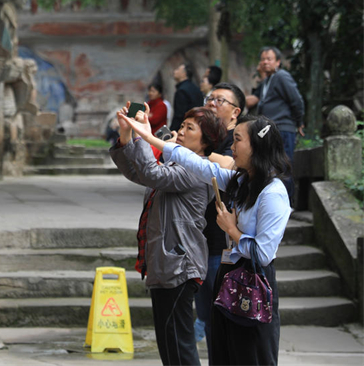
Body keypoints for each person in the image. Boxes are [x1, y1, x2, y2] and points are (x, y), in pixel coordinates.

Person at [120, 112, 291, 366]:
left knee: (252, 355)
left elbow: (263, 254)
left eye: (238, 140)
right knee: (224, 352)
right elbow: (199, 165)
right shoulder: (241, 181)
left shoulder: (273, 193)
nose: (231, 147)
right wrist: (147, 137)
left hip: (256, 280)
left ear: (257, 146)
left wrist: (232, 230)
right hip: (230, 274)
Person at [111, 103, 225, 365]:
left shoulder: (197, 168)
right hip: (167, 264)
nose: (181, 131)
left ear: (206, 140)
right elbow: (138, 172)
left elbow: (151, 172)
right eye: (182, 125)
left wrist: (144, 133)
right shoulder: (176, 163)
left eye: (190, 128)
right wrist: (127, 134)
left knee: (179, 347)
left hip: (179, 265)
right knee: (169, 345)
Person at [193, 82, 245, 349]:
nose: (211, 103)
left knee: (219, 318)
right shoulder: (208, 137)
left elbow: (231, 165)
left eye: (219, 101)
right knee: (206, 313)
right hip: (199, 239)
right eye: (209, 98)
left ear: (235, 112)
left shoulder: (238, 138)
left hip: (221, 242)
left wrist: (196, 151)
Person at [246, 47, 304, 160]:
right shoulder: (268, 80)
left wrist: (299, 122)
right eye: (263, 59)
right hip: (269, 129)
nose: (265, 62)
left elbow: (296, 100)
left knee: (282, 167)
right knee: (270, 167)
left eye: (269, 59)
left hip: (281, 128)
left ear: (278, 62)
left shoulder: (282, 76)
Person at [171, 62, 204, 132]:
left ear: (184, 74)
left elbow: (179, 115)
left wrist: (172, 130)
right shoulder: (195, 88)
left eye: (177, 69)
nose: (174, 71)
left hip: (184, 129)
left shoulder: (182, 90)